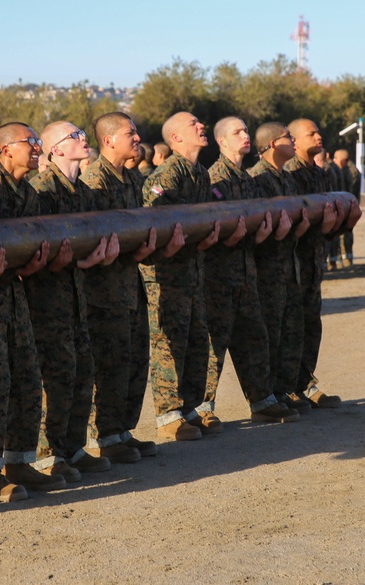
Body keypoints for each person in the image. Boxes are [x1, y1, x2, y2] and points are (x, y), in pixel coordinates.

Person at [0, 122, 66, 498]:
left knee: (25, 381)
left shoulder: (27, 193)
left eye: (39, 142)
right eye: (31, 143)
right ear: (6, 150)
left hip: (15, 302)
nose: (38, 148)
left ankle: (18, 462)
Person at [26, 121, 118, 481]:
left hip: (78, 296)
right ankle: (50, 456)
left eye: (82, 134)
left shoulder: (83, 191)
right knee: (56, 376)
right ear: (56, 150)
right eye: (73, 136)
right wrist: (85, 260)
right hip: (48, 301)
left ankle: (73, 448)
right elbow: (35, 250)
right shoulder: (42, 191)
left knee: (82, 372)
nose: (83, 139)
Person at [203, 116, 300, 426]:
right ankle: (203, 407)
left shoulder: (247, 181)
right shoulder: (214, 180)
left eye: (246, 130)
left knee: (254, 338)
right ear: (222, 141)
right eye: (238, 132)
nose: (246, 135)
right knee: (213, 345)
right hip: (219, 276)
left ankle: (261, 400)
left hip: (247, 273)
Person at [80, 112, 159, 461]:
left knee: (132, 361)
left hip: (129, 285)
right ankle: (107, 437)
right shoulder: (95, 181)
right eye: (131, 133)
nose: (137, 138)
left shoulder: (129, 179)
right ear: (109, 140)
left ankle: (123, 431)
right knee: (109, 364)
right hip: (104, 292)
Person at [141, 111, 219, 441]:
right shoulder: (166, 175)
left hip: (192, 271)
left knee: (197, 341)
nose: (201, 126)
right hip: (166, 274)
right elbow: (155, 224)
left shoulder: (199, 173)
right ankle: (168, 416)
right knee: (168, 344)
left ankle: (189, 408)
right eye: (193, 125)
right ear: (175, 138)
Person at [284, 118, 351, 408]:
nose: (319, 136)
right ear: (295, 141)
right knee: (292, 326)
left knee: (312, 324)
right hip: (292, 265)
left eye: (318, 131)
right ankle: (288, 386)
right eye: (311, 133)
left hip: (314, 262)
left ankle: (306, 383)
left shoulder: (322, 175)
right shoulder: (288, 174)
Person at [249, 122, 312, 411]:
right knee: (270, 334)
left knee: (291, 331)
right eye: (288, 137)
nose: (294, 142)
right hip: (267, 271)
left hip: (289, 268)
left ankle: (284, 391)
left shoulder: (285, 178)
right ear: (273, 144)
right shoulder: (257, 179)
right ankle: (267, 396)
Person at [327, 148, 361, 268]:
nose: (333, 160)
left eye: (336, 158)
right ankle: (342, 259)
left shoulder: (350, 171)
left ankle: (345, 259)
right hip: (347, 206)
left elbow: (348, 190)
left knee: (344, 234)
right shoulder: (344, 170)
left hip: (347, 207)